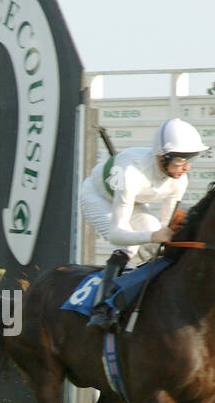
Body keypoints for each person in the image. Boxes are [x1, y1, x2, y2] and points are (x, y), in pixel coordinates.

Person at [79, 118, 206, 329]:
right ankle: (102, 309)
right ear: (161, 157)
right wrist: (152, 236)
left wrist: (161, 236)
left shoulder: (180, 181)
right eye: (180, 160)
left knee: (156, 242)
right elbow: (117, 233)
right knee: (129, 244)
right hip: (97, 198)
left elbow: (164, 228)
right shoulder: (130, 173)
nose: (186, 167)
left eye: (190, 159)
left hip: (132, 203)